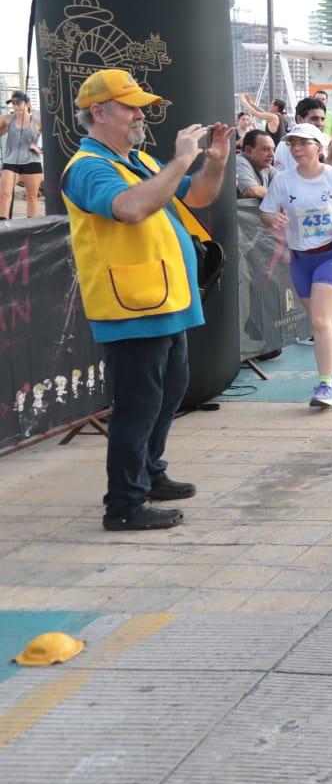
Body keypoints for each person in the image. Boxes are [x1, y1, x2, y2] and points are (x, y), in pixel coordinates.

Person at [60, 69, 232, 531]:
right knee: (138, 405)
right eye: (131, 106)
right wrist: (180, 160)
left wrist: (214, 160)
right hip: (131, 307)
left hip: (163, 303)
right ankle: (124, 505)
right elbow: (130, 209)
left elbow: (198, 194)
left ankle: (149, 475)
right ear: (98, 112)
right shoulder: (88, 168)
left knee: (167, 394)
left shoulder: (137, 161)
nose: (141, 115)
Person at [259, 124, 332, 408]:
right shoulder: (282, 181)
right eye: (292, 144)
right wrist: (274, 220)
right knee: (327, 319)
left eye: (303, 143)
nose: (296, 149)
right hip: (301, 260)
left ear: (319, 146)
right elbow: (266, 213)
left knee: (319, 320)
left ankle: (325, 385)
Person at [1, 90, 44, 219]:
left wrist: (39, 149)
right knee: (4, 194)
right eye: (13, 103)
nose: (15, 106)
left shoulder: (37, 122)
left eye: (18, 103)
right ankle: (3, 226)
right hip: (11, 161)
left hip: (32, 162)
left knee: (31, 197)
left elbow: (53, 141)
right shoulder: (7, 119)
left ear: (28, 103)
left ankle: (32, 229)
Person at [235, 129, 277, 200]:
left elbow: (286, 185)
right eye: (265, 149)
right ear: (248, 150)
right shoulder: (239, 162)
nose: (272, 154)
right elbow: (252, 190)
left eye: (273, 150)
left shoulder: (265, 166)